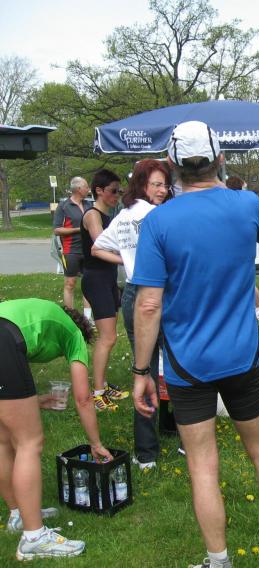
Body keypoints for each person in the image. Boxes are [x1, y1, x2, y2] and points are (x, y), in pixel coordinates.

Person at [130, 120, 259, 568]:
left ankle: (219, 560)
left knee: (202, 465)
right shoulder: (246, 203)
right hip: (241, 355)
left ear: (171, 164)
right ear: (221, 158)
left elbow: (148, 305)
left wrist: (141, 372)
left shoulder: (158, 221)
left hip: (187, 361)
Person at [0, 298, 113, 561]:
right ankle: (34, 538)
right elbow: (83, 399)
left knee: (3, 440)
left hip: (5, 338)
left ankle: (18, 515)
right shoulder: (74, 334)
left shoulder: (41, 313)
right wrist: (96, 443)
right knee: (29, 442)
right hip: (4, 340)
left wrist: (36, 401)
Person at [91, 159, 172, 469]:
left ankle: (146, 453)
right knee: (173, 362)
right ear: (141, 185)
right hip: (158, 291)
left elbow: (97, 247)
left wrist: (127, 261)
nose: (163, 190)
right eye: (157, 184)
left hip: (132, 291)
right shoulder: (157, 215)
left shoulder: (123, 215)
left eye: (165, 184)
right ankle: (179, 431)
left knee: (143, 367)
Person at [81, 169, 127, 411]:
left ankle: (103, 384)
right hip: (96, 279)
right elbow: (102, 245)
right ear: (99, 190)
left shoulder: (110, 215)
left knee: (110, 336)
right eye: (113, 191)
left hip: (108, 278)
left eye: (120, 191)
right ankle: (98, 393)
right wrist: (128, 257)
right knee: (107, 337)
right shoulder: (92, 215)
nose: (117, 195)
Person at [225, 175, 259, 320]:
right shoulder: (248, 203)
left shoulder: (225, 205)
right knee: (247, 282)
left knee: (244, 283)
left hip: (232, 251)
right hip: (244, 251)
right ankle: (258, 307)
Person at [52, 177, 93, 318]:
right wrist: (78, 230)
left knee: (88, 283)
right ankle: (71, 317)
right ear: (78, 189)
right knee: (70, 283)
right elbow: (57, 230)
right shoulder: (64, 206)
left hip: (88, 250)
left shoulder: (88, 205)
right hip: (71, 250)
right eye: (86, 187)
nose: (88, 189)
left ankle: (88, 318)